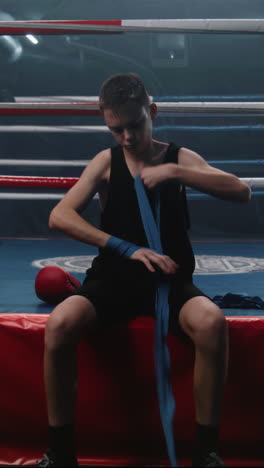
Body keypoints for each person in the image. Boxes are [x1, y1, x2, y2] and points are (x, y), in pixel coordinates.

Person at [36, 73, 251, 467]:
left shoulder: (178, 158)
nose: (127, 138)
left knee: (211, 323)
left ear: (151, 112)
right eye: (115, 129)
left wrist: (177, 173)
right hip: (114, 280)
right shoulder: (106, 161)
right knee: (59, 324)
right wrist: (124, 247)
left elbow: (242, 191)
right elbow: (59, 216)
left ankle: (205, 453)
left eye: (134, 126)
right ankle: (60, 453)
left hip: (168, 283)